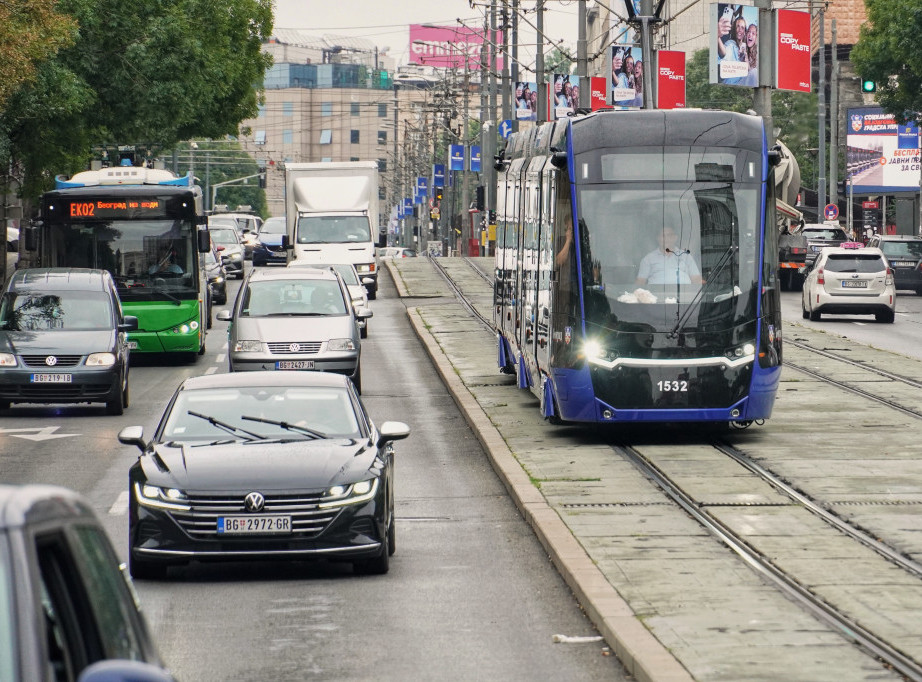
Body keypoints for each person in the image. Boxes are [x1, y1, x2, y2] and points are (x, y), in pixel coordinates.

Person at [635, 226, 703, 286]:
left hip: (685, 297)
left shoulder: (686, 256)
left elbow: (696, 279)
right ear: (658, 238)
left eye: (669, 235)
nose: (666, 238)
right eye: (663, 236)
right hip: (656, 297)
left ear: (675, 238)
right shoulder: (648, 259)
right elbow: (640, 282)